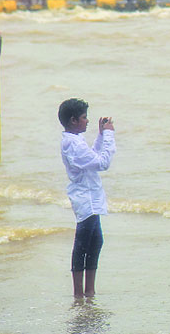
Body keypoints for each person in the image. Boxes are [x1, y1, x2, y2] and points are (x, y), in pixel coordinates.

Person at [58, 98, 117, 299]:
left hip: (90, 196)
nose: (87, 121)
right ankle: (79, 292)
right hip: (85, 199)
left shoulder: (74, 140)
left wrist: (100, 136)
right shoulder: (72, 144)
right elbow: (103, 162)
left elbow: (92, 157)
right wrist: (109, 134)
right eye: (84, 118)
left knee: (95, 241)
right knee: (83, 242)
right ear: (74, 120)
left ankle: (89, 290)